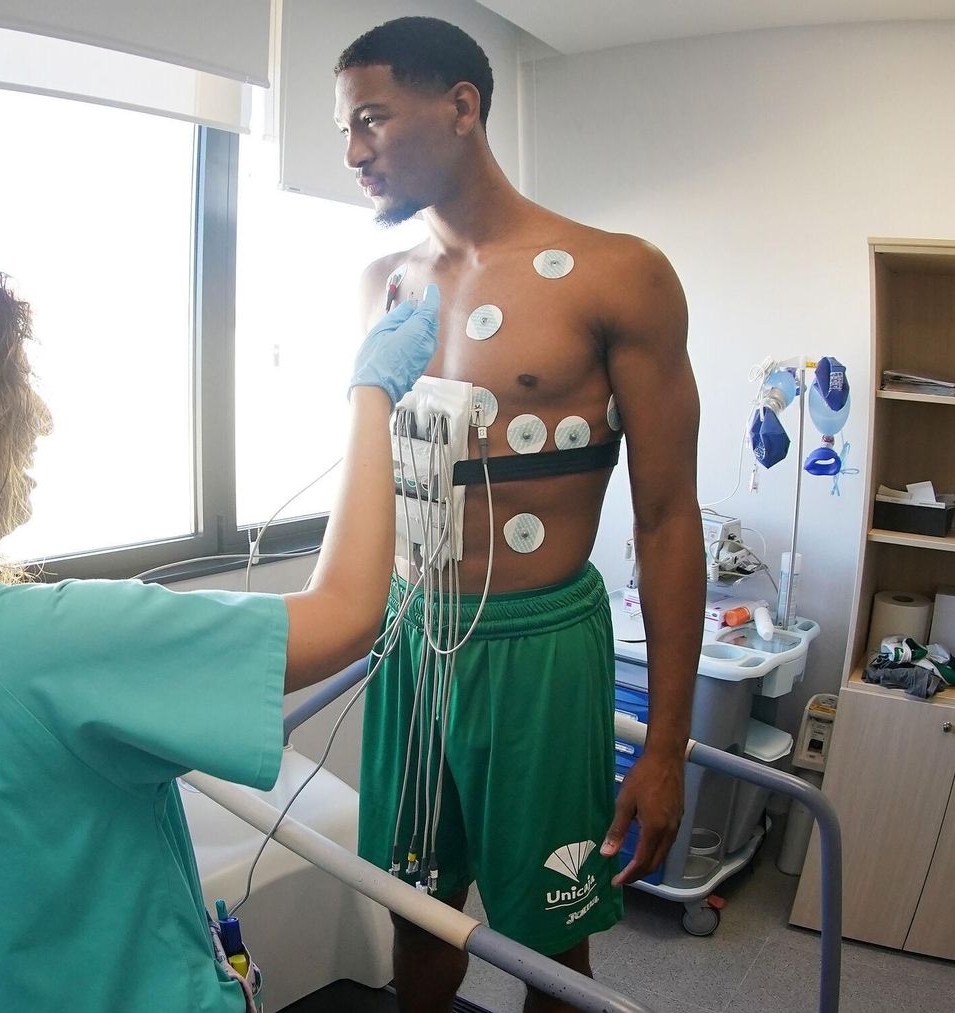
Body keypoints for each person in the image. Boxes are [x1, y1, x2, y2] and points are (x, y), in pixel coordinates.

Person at [0, 271, 439, 1012]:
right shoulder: (39, 641)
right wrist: (371, 397)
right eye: (17, 392)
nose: (41, 418)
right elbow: (346, 613)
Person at [334, 18, 704, 1013]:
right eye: (345, 130)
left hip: (540, 651)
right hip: (414, 643)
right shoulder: (386, 284)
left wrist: (664, 745)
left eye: (371, 119)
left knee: (549, 933)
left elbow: (667, 518)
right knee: (411, 905)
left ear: (461, 106)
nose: (354, 152)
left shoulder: (616, 272)